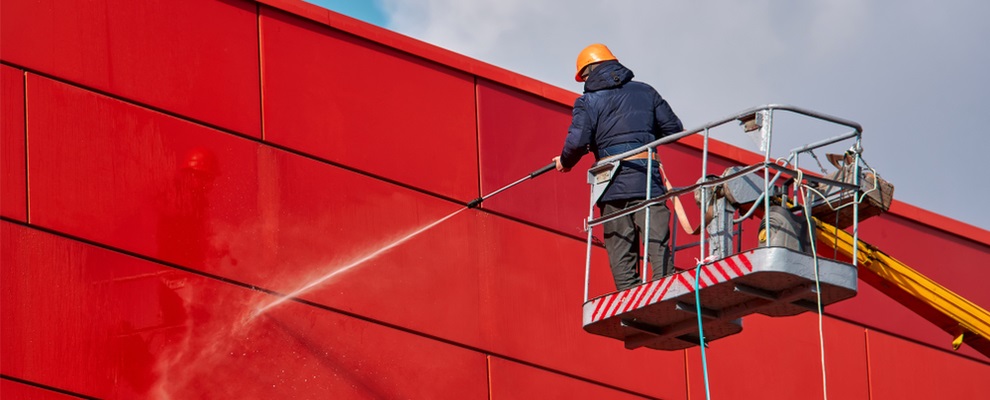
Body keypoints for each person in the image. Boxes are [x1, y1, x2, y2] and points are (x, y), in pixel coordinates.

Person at [553, 43, 683, 291]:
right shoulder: (646, 92)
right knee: (657, 241)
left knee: (620, 247)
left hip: (610, 185)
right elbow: (673, 129)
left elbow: (577, 141)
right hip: (647, 179)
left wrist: (565, 161)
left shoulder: (588, 102)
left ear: (589, 71)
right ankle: (665, 288)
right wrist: (641, 135)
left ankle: (629, 297)